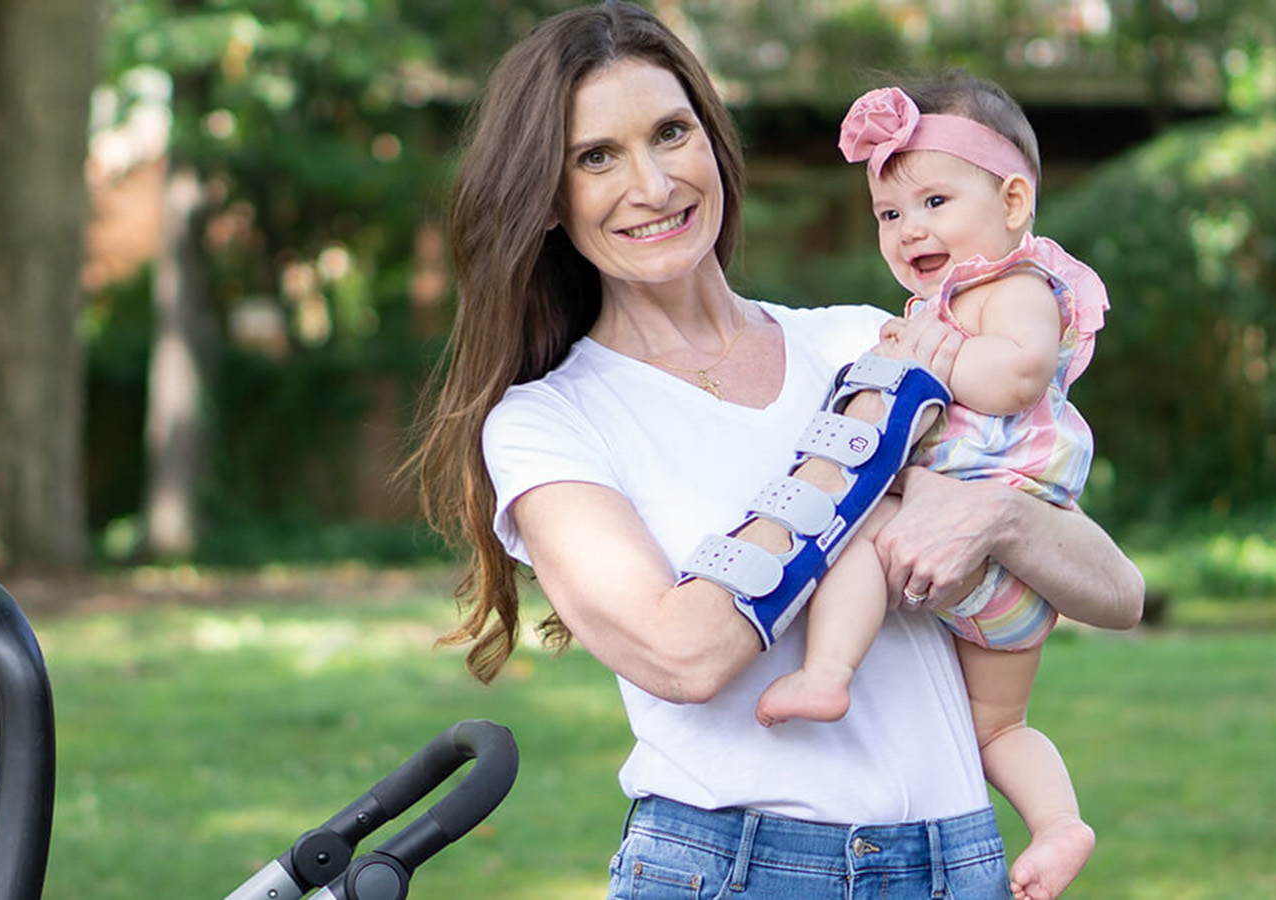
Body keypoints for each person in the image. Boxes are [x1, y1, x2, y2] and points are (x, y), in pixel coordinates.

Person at [408, 4, 1144, 898]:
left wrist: (993, 515)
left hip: (961, 860)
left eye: (672, 133)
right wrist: (865, 441)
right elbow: (684, 653)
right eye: (596, 156)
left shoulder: (864, 338)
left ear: (713, 145)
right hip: (742, 870)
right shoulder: (548, 421)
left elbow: (1116, 592)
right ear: (550, 199)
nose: (652, 183)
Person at [751, 73, 1111, 900]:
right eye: (889, 213)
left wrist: (933, 355)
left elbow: (1019, 376)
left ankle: (827, 672)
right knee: (999, 729)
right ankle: (1058, 825)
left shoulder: (1014, 287)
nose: (910, 228)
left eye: (934, 202)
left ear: (1013, 201)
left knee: (860, 540)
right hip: (998, 585)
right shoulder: (941, 306)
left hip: (1003, 533)